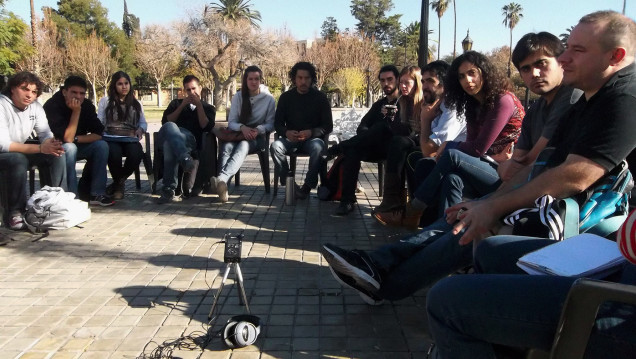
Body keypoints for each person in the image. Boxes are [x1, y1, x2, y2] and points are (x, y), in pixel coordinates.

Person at [319, 29, 587, 305]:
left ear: (561, 61)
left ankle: (403, 228)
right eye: (526, 68)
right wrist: (431, 126)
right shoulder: (532, 109)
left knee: (450, 168)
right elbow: (517, 161)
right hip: (508, 182)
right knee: (450, 190)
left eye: (541, 64)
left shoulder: (556, 99)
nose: (533, 74)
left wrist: (493, 188)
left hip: (535, 196)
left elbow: (519, 158)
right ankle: (378, 271)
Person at [374, 51, 525, 230]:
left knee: (451, 154)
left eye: (472, 73)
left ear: (484, 72)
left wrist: (448, 145)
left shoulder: (503, 100)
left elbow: (476, 148)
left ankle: (412, 211)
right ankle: (440, 233)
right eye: (461, 76)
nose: (467, 80)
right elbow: (473, 146)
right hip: (486, 164)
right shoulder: (473, 105)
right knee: (450, 177)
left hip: (508, 175)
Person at [0, 72, 66, 230]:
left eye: (34, 92)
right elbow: (3, 144)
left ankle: (54, 203)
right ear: (13, 89)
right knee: (17, 160)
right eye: (25, 89)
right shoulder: (2, 105)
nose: (30, 95)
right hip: (4, 153)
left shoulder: (35, 106)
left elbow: (44, 133)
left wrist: (51, 144)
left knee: (55, 155)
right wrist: (40, 147)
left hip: (19, 150)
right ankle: (15, 212)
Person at [44, 75, 112, 206]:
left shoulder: (86, 105)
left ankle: (97, 193)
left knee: (101, 146)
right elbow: (66, 139)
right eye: (74, 92)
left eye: (82, 93)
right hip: (56, 149)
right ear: (64, 92)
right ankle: (72, 196)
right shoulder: (52, 105)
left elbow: (98, 133)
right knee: (70, 148)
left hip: (76, 143)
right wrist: (76, 112)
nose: (78, 97)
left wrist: (77, 139)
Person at [211, 65, 275, 202]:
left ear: (261, 80)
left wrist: (258, 130)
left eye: (256, 79)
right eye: (250, 79)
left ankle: (221, 179)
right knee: (227, 147)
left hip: (257, 137)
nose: (253, 82)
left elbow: (271, 124)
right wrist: (242, 128)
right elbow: (232, 122)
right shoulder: (238, 97)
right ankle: (224, 189)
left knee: (244, 145)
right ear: (245, 80)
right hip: (239, 133)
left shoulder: (269, 99)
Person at [270, 61, 333, 200]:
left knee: (317, 147)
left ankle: (307, 187)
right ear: (294, 79)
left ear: (312, 79)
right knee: (275, 146)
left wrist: (311, 132)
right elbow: (277, 123)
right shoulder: (286, 97)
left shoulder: (321, 98)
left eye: (307, 78)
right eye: (300, 78)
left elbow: (328, 126)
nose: (303, 81)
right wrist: (286, 132)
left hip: (312, 140)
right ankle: (289, 182)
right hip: (290, 139)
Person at [371, 66, 424, 212]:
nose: (403, 86)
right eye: (401, 82)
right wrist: (390, 119)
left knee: (398, 144)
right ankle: (391, 199)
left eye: (407, 82)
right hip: (409, 141)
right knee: (395, 142)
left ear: (418, 83)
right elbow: (400, 132)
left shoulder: (423, 102)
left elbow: (421, 132)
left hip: (424, 142)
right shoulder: (402, 102)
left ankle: (391, 199)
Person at [157, 75, 215, 204]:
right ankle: (184, 157)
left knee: (169, 145)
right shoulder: (176, 103)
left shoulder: (208, 107)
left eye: (194, 88)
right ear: (184, 91)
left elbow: (206, 126)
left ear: (200, 88)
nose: (192, 92)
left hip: (190, 140)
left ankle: (168, 189)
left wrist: (199, 105)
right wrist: (182, 105)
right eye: (188, 90)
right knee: (171, 127)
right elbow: (166, 122)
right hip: (173, 136)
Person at [97, 71, 148, 200]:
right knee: (114, 153)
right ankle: (119, 186)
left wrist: (140, 130)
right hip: (111, 137)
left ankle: (118, 183)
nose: (124, 87)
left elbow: (143, 122)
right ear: (114, 85)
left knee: (136, 154)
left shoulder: (137, 103)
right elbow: (100, 121)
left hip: (130, 138)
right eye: (120, 84)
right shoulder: (106, 101)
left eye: (126, 83)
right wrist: (101, 132)